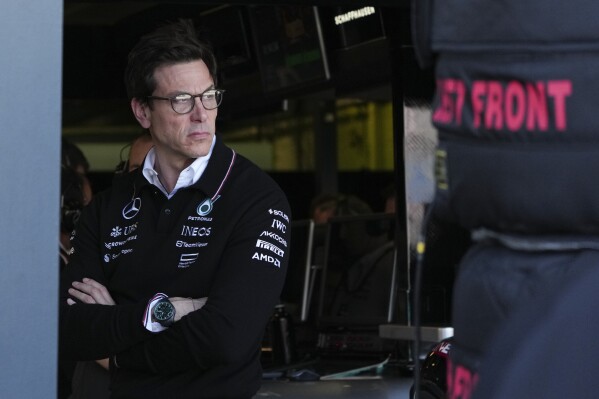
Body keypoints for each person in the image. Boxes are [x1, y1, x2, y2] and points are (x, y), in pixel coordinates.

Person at [59, 19, 291, 399]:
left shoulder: (257, 199)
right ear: (143, 111)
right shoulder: (108, 206)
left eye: (209, 96)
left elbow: (225, 338)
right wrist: (162, 313)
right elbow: (71, 330)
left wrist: (117, 351)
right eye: (181, 100)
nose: (201, 114)